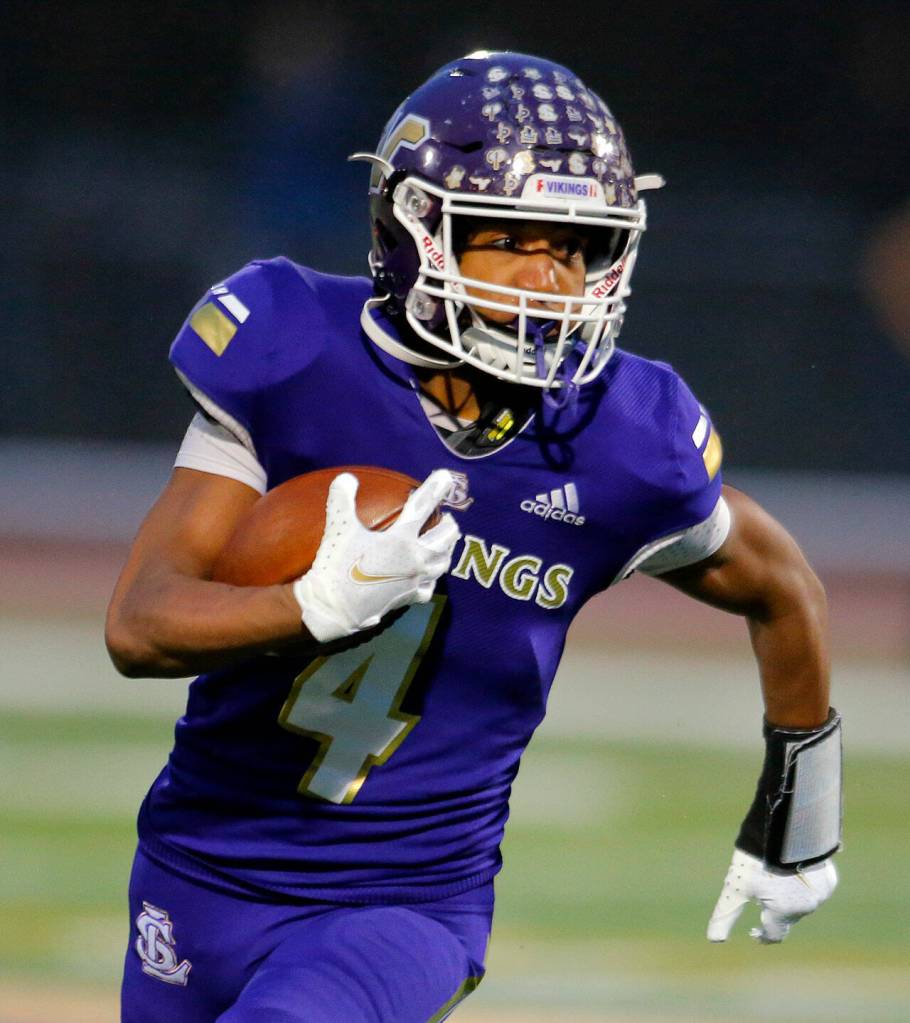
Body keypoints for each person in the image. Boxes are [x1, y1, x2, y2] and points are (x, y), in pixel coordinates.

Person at [107, 50, 841, 1023]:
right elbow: (140, 624)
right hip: (197, 868)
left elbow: (780, 583)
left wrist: (807, 804)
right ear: (415, 227)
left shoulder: (626, 438)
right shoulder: (290, 349)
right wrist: (312, 605)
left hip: (403, 904)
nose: (553, 278)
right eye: (517, 237)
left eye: (577, 246)